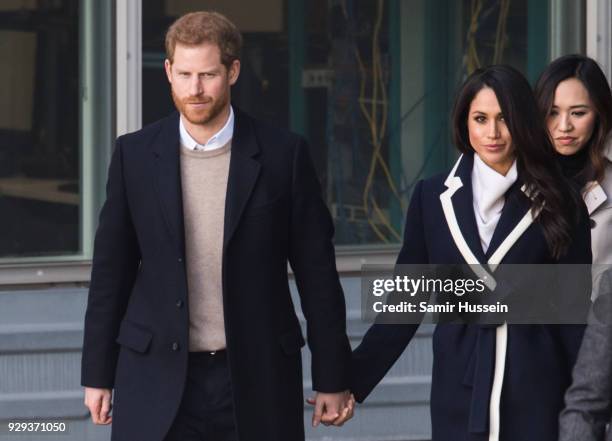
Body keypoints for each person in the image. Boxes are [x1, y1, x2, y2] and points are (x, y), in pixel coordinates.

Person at [80, 11, 352, 441]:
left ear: (233, 71)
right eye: (184, 74)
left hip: (255, 375)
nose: (195, 89)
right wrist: (97, 373)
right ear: (168, 71)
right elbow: (110, 273)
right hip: (155, 375)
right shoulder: (134, 156)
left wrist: (332, 377)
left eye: (208, 74)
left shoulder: (284, 156)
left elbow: (318, 276)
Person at [349, 65, 592, 441]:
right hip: (458, 393)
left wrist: (591, 410)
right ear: (465, 123)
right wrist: (348, 383)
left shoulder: (561, 200)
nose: (492, 133)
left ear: (524, 122)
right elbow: (404, 305)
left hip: (537, 394)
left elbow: (573, 319)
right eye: (480, 119)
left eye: (504, 119)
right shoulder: (432, 198)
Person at [534, 54, 612, 441]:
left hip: (601, 354)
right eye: (552, 112)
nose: (563, 127)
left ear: (599, 114)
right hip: (538, 353)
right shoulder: (519, 186)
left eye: (578, 112)